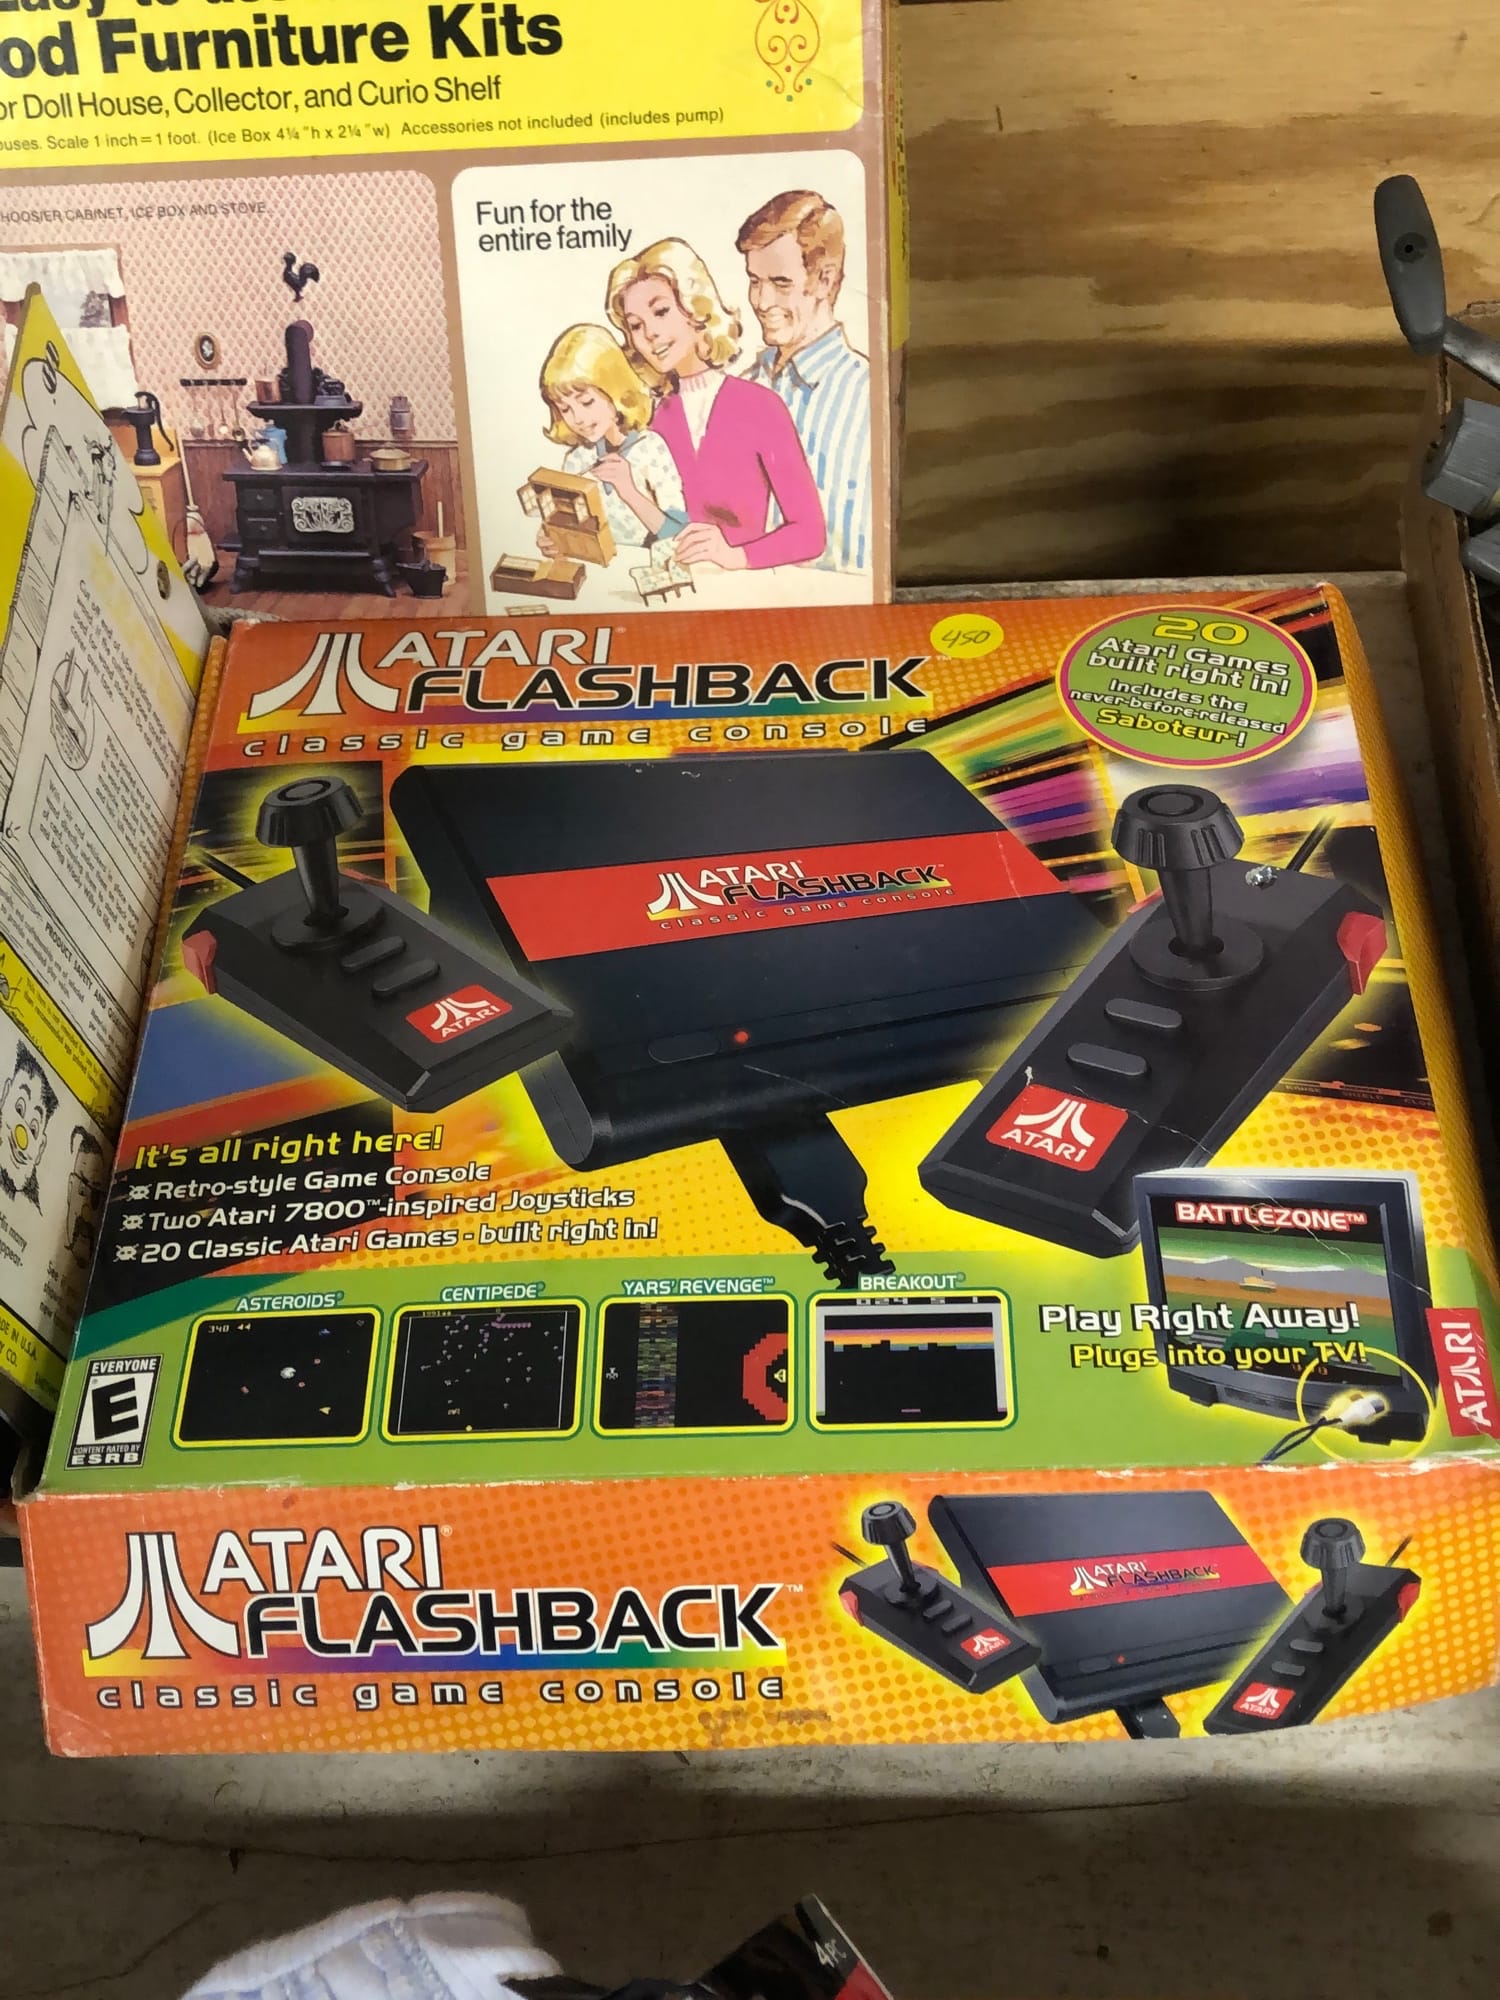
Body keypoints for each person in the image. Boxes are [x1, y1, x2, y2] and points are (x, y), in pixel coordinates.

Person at [606, 238, 825, 572]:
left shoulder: (760, 406)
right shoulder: (651, 419)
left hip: (740, 591)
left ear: (696, 310)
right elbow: (640, 524)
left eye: (661, 311)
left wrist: (737, 556)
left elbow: (810, 533)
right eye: (635, 325)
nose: (649, 333)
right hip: (669, 586)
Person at [736, 190, 872, 575]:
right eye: (754, 280)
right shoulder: (744, 386)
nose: (761, 301)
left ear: (825, 280)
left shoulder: (865, 395)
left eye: (781, 283)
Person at [536, 323, 689, 553]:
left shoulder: (650, 449)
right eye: (565, 409)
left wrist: (629, 492)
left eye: (586, 402)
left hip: (648, 565)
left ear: (616, 391)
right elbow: (576, 531)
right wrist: (556, 538)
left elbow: (679, 535)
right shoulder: (577, 460)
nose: (577, 418)